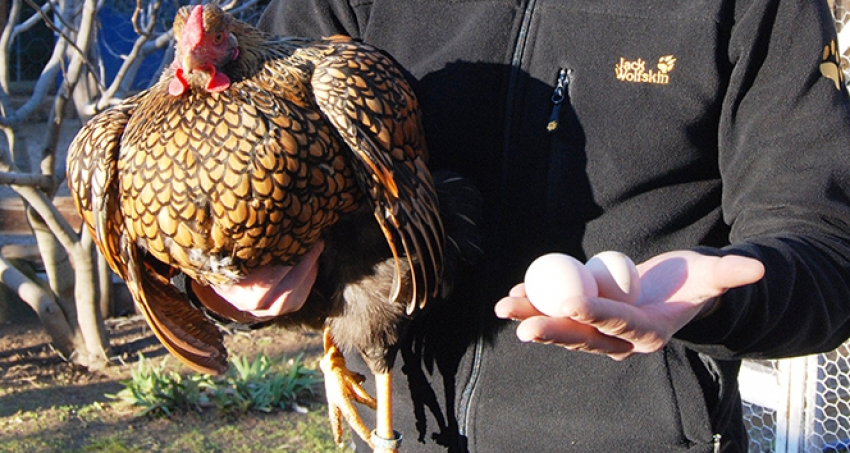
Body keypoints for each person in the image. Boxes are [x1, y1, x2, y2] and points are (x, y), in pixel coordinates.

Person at [223, 1, 850, 451]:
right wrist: (233, 267)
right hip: (400, 430)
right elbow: (247, 158)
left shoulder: (759, 9)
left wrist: (715, 303)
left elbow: (824, 250)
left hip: (638, 436)